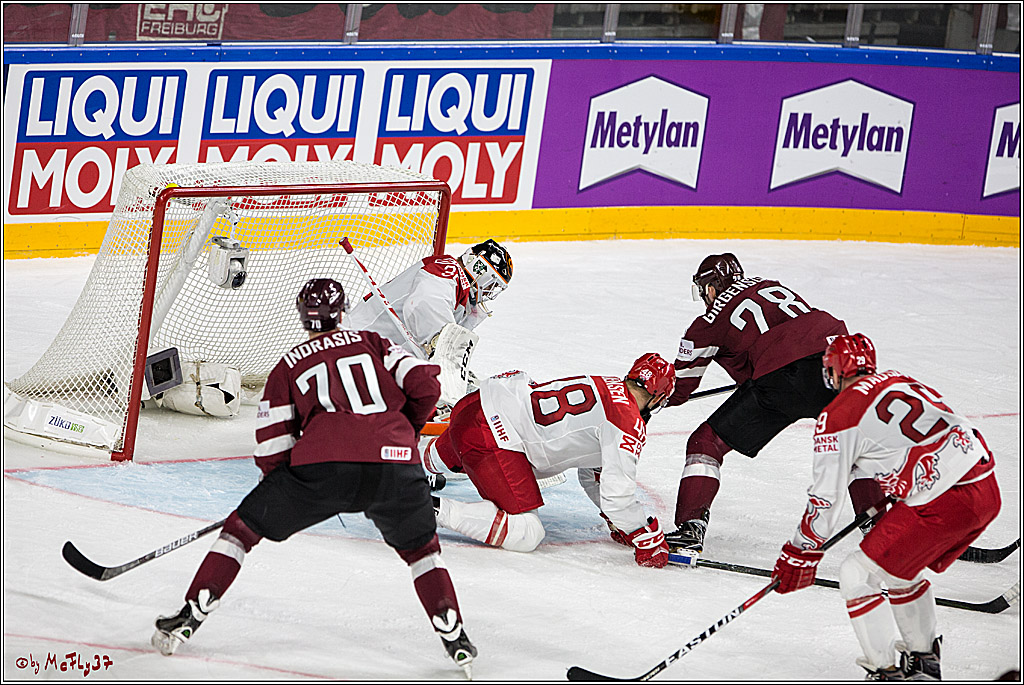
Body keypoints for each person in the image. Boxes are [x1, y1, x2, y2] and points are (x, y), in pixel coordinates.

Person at [151, 278, 478, 678]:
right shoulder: (375, 343)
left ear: (302, 315)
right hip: (395, 465)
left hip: (321, 469)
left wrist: (279, 486)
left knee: (241, 530)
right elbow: (427, 383)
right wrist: (402, 432)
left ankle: (192, 613)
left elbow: (272, 446)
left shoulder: (289, 365)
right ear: (342, 311)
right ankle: (454, 634)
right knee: (422, 551)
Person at [771, 333, 1000, 680]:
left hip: (943, 501)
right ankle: (923, 662)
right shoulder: (901, 380)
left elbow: (825, 498)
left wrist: (800, 550)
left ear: (834, 371)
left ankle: (885, 671)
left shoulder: (837, 416)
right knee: (898, 569)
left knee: (857, 574)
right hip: (985, 488)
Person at [663, 253, 885, 553]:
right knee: (856, 443)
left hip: (781, 381)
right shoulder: (769, 285)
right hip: (836, 364)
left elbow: (679, 388)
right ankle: (883, 530)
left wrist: (643, 399)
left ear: (711, 288)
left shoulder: (710, 320)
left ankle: (690, 530)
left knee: (705, 443)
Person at [425, 353, 676, 569]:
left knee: (434, 459)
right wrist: (644, 535)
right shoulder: (627, 423)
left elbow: (594, 474)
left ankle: (408, 469)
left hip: (477, 404)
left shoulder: (606, 384)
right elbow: (617, 497)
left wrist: (623, 523)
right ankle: (425, 507)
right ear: (656, 399)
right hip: (492, 435)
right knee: (527, 532)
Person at [344, 238, 513, 361]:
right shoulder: (447, 270)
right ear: (479, 269)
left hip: (374, 352)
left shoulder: (460, 290)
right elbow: (423, 302)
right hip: (355, 344)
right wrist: (442, 344)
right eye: (492, 284)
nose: (490, 292)